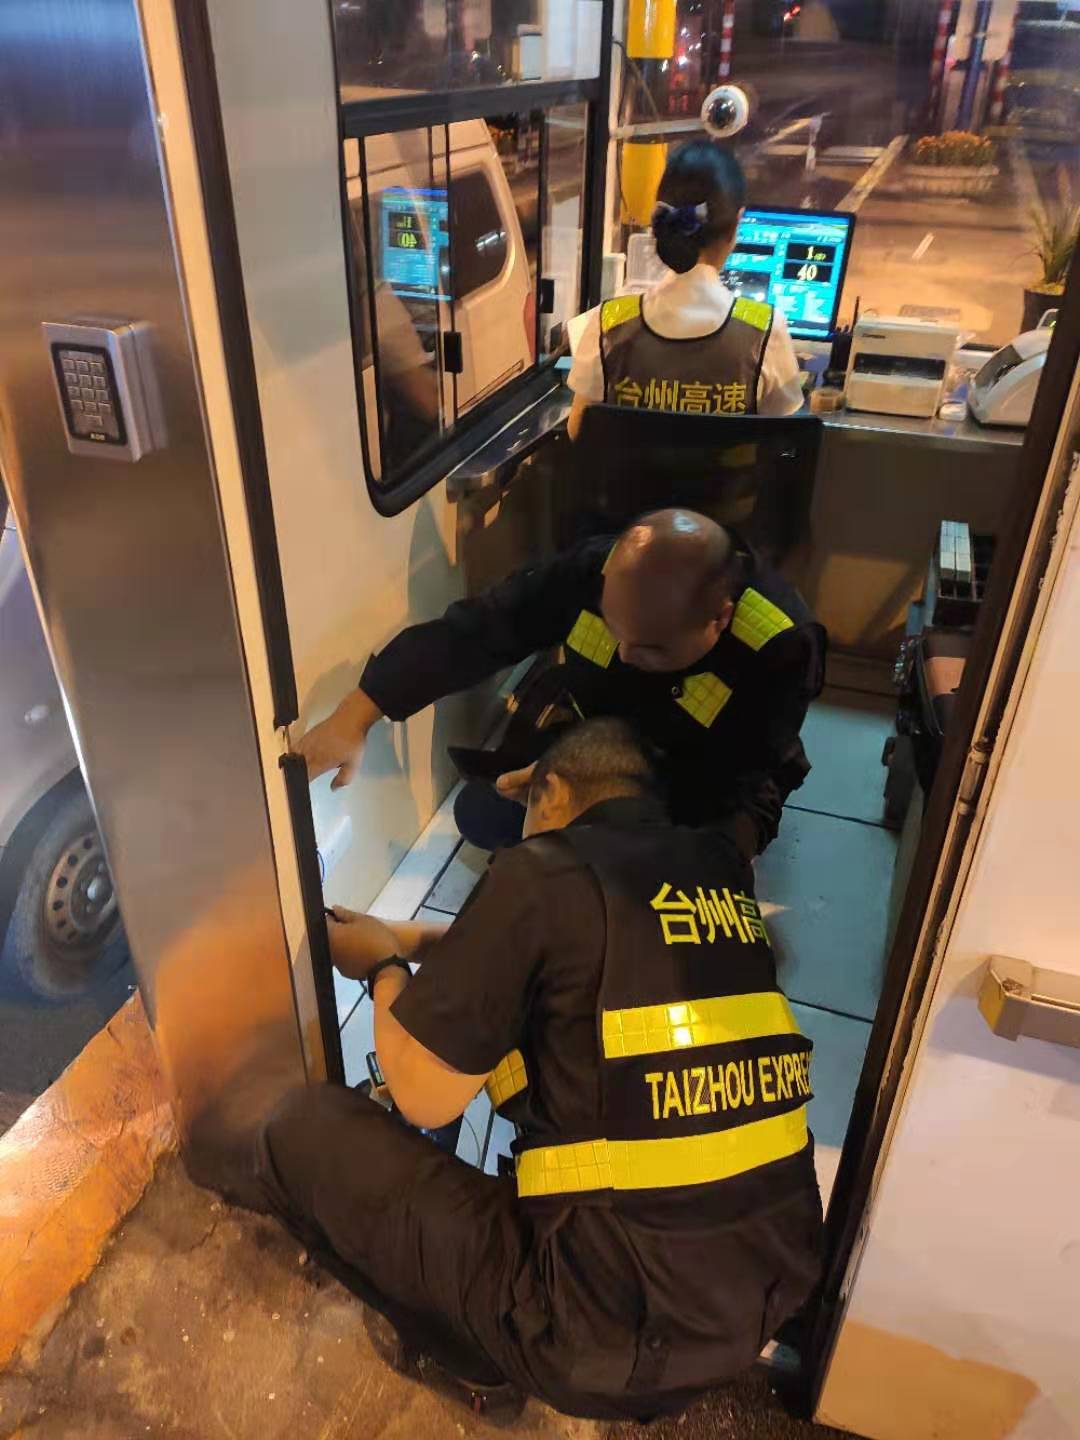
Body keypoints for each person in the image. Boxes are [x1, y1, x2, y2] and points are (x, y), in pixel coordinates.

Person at [255, 719, 823, 1421]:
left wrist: (383, 966)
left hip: (600, 1334)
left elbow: (423, 1093)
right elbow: (551, 954)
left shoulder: (544, 868)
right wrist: (407, 936)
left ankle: (478, 1361)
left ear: (549, 793)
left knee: (299, 1127)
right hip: (759, 1295)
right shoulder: (715, 871)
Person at [296, 508, 825, 858]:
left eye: (652, 649)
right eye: (615, 631)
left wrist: (625, 806)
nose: (625, 654)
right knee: (482, 814)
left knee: (694, 865)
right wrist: (357, 714)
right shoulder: (589, 573)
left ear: (719, 619)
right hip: (600, 739)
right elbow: (479, 631)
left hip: (703, 776)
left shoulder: (778, 645)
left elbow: (740, 778)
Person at [566, 139, 805, 441]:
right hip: (725, 475)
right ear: (737, 224)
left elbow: (578, 431)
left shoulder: (608, 323)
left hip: (630, 475)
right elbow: (784, 437)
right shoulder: (765, 331)